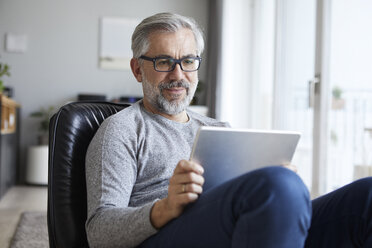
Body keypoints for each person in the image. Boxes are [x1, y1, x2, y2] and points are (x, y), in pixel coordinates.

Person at [85, 12, 372, 248]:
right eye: (163, 62)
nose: (178, 75)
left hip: (237, 230)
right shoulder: (121, 130)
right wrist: (164, 208)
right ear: (137, 69)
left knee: (365, 195)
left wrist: (285, 189)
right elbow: (99, 232)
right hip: (164, 237)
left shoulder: (218, 129)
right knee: (275, 186)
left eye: (187, 61)